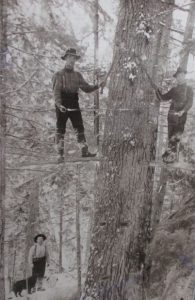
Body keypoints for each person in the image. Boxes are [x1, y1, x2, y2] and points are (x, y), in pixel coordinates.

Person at [52, 48, 106, 163]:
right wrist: (59, 104)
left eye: (74, 58)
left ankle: (84, 152)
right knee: (60, 129)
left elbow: (86, 88)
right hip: (62, 103)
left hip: (74, 102)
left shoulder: (77, 75)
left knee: (79, 127)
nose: (72, 60)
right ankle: (59, 154)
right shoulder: (59, 75)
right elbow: (56, 92)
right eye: (70, 57)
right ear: (66, 58)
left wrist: (98, 85)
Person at [156, 66, 193, 163]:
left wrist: (183, 110)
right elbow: (163, 98)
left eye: (181, 75)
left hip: (181, 117)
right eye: (177, 76)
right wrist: (157, 90)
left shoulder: (189, 89)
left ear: (184, 76)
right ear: (176, 78)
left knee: (176, 137)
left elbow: (190, 102)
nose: (179, 78)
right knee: (170, 136)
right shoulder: (174, 90)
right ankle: (169, 157)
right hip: (171, 116)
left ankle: (171, 157)